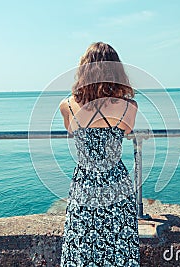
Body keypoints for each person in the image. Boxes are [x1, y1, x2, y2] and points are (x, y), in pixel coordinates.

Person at [59, 42, 140, 266]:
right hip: (116, 182)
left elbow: (70, 130)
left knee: (82, 247)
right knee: (119, 248)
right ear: (116, 71)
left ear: (84, 71)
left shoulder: (66, 105)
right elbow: (126, 130)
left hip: (84, 184)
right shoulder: (129, 107)